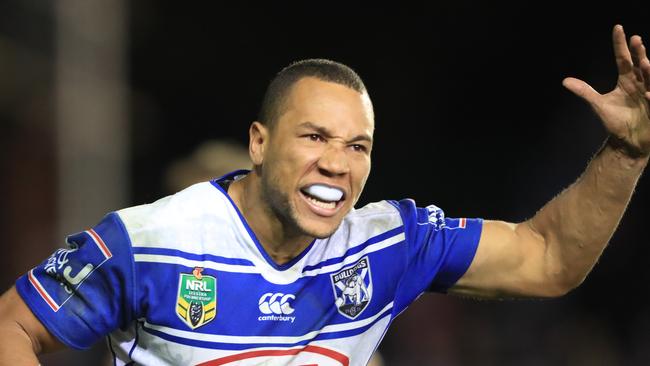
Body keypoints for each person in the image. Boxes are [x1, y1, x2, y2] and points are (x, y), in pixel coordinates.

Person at [0, 24, 647, 365]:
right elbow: (14, 327)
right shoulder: (150, 243)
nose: (336, 164)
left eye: (357, 146)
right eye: (315, 137)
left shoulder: (390, 245)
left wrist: (627, 152)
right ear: (259, 142)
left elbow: (550, 258)